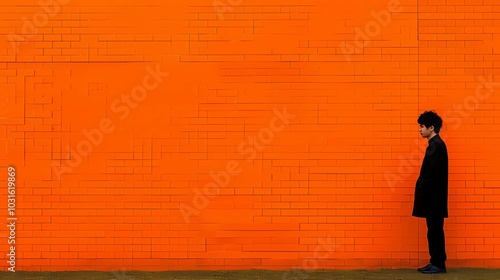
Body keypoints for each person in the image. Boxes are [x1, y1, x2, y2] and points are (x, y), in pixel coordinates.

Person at [412, 110, 449, 274]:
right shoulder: (436, 145)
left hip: (434, 198)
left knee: (435, 231)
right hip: (434, 198)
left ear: (431, 127)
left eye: (422, 126)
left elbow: (430, 174)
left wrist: (421, 186)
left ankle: (438, 264)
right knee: (433, 230)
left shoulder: (437, 146)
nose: (420, 130)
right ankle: (435, 261)